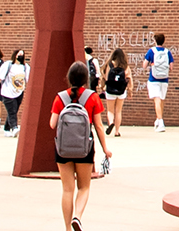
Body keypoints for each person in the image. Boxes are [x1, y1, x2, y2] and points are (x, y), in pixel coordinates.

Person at [51, 62, 113, 231]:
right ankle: (77, 217)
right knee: (84, 187)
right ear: (87, 79)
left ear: (69, 78)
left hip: (63, 150)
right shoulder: (92, 97)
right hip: (85, 148)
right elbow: (99, 126)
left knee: (67, 189)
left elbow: (52, 124)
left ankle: (67, 228)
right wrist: (105, 149)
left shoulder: (60, 97)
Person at [145, 33, 175, 132]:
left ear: (155, 41)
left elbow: (144, 65)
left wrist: (152, 64)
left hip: (154, 79)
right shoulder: (168, 52)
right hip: (164, 79)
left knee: (157, 100)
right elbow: (171, 67)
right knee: (161, 100)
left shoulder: (151, 51)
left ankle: (161, 122)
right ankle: (158, 119)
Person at [0, 51, 30, 136]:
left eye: (22, 55)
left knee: (14, 110)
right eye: (19, 54)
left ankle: (6, 129)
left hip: (19, 91)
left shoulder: (25, 67)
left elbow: (28, 80)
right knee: (12, 110)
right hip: (7, 91)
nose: (21, 56)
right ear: (15, 55)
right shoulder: (8, 65)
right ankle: (14, 127)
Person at [103, 50, 131, 137]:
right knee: (118, 111)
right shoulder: (125, 66)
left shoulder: (109, 65)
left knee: (110, 110)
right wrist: (130, 89)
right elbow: (129, 78)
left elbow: (106, 77)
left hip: (110, 90)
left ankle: (111, 123)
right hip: (121, 91)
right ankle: (117, 131)